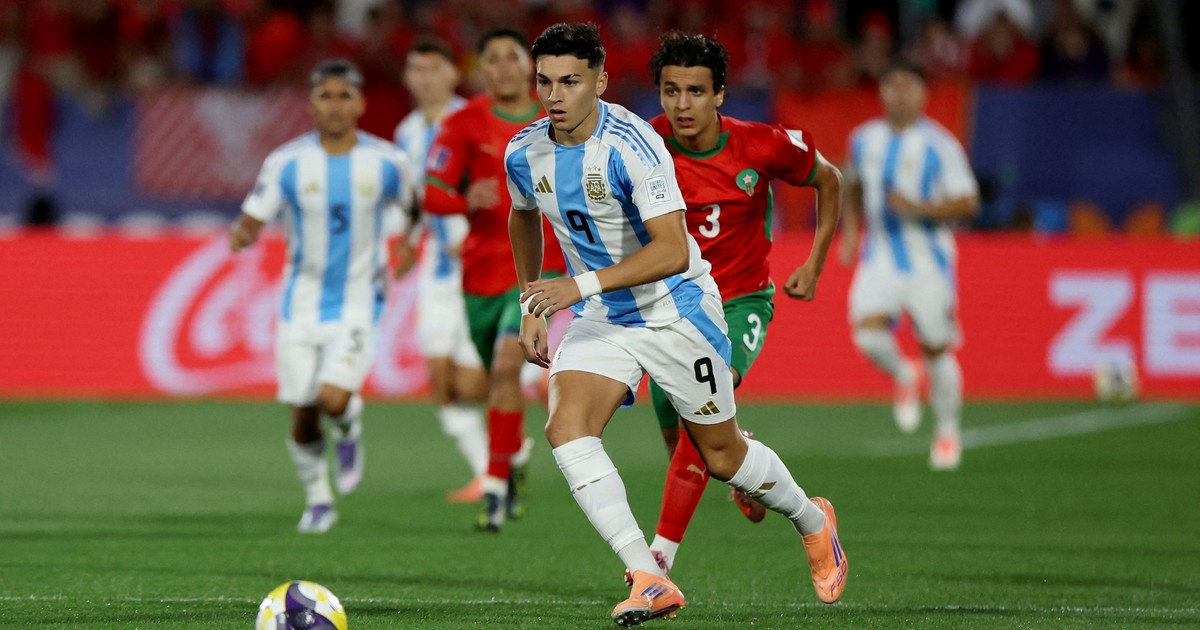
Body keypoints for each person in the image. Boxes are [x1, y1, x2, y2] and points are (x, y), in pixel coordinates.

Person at [506, 23, 847, 626]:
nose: (554, 95)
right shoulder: (523, 150)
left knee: (722, 457)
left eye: (570, 81)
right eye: (545, 81)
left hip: (676, 312)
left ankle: (813, 519)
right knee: (567, 428)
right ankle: (650, 576)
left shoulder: (635, 145)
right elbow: (523, 213)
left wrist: (574, 288)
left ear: (600, 82)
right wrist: (531, 301)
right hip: (604, 316)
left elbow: (669, 250)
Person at [641, 31, 843, 577]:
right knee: (689, 439)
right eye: (671, 91)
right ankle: (741, 462)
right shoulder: (644, 145)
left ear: (720, 95)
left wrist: (814, 264)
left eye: (696, 91)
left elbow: (830, 180)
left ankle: (658, 564)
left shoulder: (763, 145)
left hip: (739, 303)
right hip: (669, 310)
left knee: (701, 408)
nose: (682, 105)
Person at [230, 59, 412, 533]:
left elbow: (416, 207)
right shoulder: (287, 162)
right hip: (300, 304)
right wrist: (244, 233)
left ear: (360, 103)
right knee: (303, 412)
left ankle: (348, 424)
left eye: (343, 95)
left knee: (332, 398)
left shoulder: (387, 161)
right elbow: (255, 213)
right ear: (310, 104)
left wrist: (410, 243)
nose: (334, 105)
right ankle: (318, 500)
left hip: (359, 300)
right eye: (325, 96)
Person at [422, 27, 568, 531]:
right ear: (481, 68)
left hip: (538, 269)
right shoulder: (464, 122)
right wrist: (464, 200)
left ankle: (495, 488)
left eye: (513, 57)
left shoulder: (556, 117)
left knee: (508, 367)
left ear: (530, 66)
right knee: (490, 381)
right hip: (480, 273)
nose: (504, 67)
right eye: (493, 59)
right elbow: (432, 190)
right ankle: (513, 457)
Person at [839, 58, 979, 471]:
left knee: (936, 347)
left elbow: (968, 203)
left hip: (928, 262)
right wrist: (851, 233)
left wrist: (917, 207)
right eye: (892, 85)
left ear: (923, 93)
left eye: (908, 86)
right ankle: (904, 374)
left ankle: (948, 431)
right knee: (866, 336)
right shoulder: (863, 139)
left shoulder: (940, 145)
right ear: (882, 91)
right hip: (879, 256)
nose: (899, 94)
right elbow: (852, 184)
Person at [392, 38, 490, 503]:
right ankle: (490, 473)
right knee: (439, 379)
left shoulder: (473, 121)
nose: (425, 77)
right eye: (417, 69)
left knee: (471, 385)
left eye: (434, 68)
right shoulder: (407, 132)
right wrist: (410, 240)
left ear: (453, 73)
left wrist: (473, 234)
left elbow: (497, 187)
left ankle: (508, 446)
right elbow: (416, 198)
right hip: (436, 269)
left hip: (479, 265)